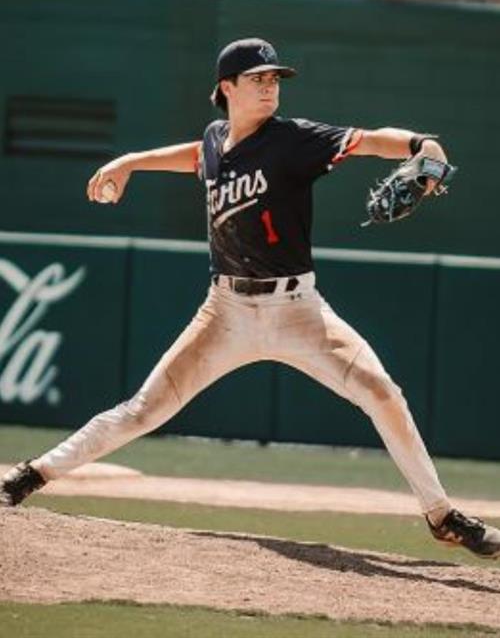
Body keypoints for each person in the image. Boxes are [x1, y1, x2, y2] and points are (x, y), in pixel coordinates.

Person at [1, 38, 499, 559]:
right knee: (143, 410)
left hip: (299, 310)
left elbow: (372, 142)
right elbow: (197, 156)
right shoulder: (216, 140)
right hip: (225, 312)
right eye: (258, 78)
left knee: (382, 393)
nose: (269, 86)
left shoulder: (294, 140)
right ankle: (31, 475)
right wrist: (131, 161)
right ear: (227, 87)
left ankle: (441, 515)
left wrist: (421, 144)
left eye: (274, 78)